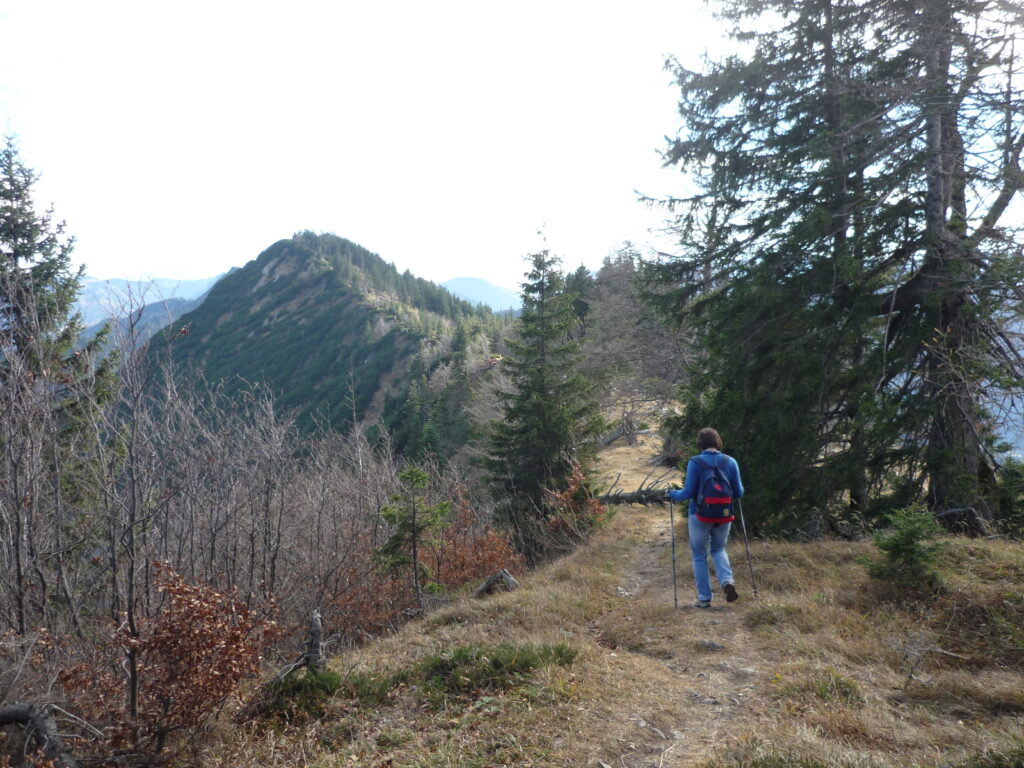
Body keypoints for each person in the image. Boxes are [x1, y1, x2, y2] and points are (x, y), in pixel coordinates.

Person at [667, 428, 744, 608]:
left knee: (699, 555)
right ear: (718, 442)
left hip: (700, 515)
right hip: (724, 515)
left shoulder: (696, 462)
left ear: (700, 444)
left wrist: (672, 494)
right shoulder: (730, 461)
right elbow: (738, 492)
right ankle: (726, 581)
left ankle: (704, 598)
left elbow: (687, 493)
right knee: (719, 549)